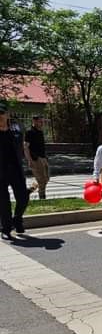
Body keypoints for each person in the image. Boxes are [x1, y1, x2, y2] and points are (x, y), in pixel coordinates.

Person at [0, 101, 29, 240]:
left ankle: (17, 219)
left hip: (16, 171)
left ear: (7, 115)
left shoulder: (16, 132)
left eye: (1, 113)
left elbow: (21, 150)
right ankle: (5, 228)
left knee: (23, 198)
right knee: (3, 202)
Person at [24, 115, 49, 199]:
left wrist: (45, 157)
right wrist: (29, 160)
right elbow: (26, 147)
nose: (42, 123)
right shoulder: (30, 132)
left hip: (43, 158)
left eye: (42, 121)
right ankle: (42, 197)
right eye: (40, 121)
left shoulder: (40, 131)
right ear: (34, 121)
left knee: (46, 178)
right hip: (35, 158)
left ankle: (30, 190)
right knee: (42, 180)